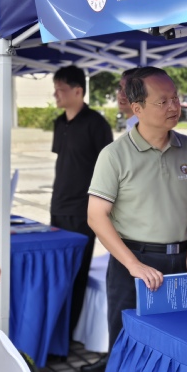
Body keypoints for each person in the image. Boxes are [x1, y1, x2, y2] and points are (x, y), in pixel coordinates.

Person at [87, 66, 187, 372]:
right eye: (163, 101)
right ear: (138, 108)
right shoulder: (114, 155)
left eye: (175, 98)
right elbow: (96, 216)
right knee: (130, 351)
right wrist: (134, 265)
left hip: (182, 264)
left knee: (181, 348)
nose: (174, 107)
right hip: (134, 266)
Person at [50, 65, 113, 344]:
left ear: (78, 91)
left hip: (82, 211)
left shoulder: (96, 124)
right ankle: (55, 334)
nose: (56, 95)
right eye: (55, 89)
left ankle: (67, 338)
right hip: (58, 208)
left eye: (61, 89)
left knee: (76, 275)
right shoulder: (59, 123)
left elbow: (109, 171)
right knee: (58, 274)